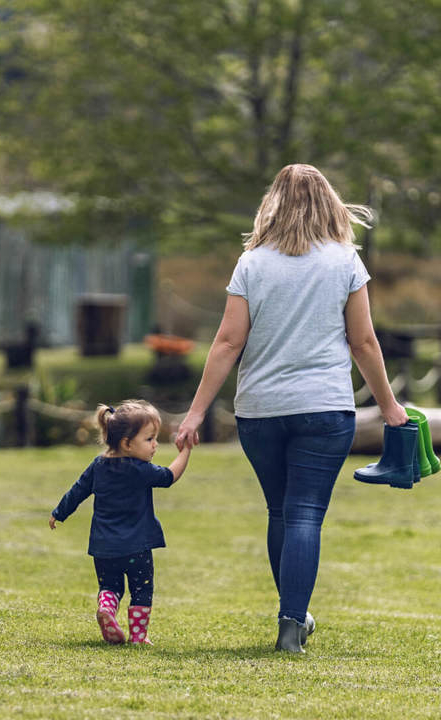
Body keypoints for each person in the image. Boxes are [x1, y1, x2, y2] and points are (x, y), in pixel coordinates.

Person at [173, 163, 408, 654]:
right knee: (304, 514)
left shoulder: (252, 263)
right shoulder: (344, 260)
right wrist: (389, 407)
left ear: (271, 204)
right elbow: (363, 341)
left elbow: (227, 342)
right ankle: (291, 625)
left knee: (279, 512)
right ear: (329, 203)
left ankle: (293, 615)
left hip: (260, 411)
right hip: (325, 408)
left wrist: (196, 413)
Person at [50, 400, 192, 646]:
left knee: (110, 585)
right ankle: (138, 636)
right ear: (127, 443)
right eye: (149, 439)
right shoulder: (140, 469)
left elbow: (77, 491)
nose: (155, 445)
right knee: (141, 590)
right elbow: (170, 477)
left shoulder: (98, 466)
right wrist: (185, 451)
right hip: (137, 547)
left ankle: (107, 606)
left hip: (104, 548)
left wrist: (59, 513)